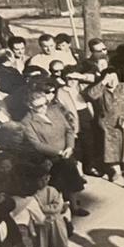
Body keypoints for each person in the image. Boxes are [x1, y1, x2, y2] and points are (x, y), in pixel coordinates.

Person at [18, 87, 87, 215]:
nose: (44, 108)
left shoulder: (54, 111)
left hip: (67, 153)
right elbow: (37, 144)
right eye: (39, 106)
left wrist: (70, 147)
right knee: (57, 186)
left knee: (72, 181)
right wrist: (59, 152)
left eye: (45, 103)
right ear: (30, 106)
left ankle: (74, 206)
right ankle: (60, 212)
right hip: (50, 159)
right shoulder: (27, 122)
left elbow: (69, 130)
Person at [86, 69, 124, 184]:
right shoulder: (101, 89)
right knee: (111, 149)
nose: (112, 81)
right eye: (109, 79)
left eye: (114, 78)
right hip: (108, 125)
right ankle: (117, 171)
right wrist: (103, 82)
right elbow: (91, 95)